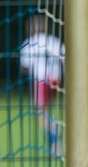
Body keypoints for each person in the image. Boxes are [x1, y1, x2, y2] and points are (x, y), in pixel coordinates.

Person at [18, 13, 64, 155]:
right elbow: (65, 59)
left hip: (41, 80)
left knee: (42, 113)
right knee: (49, 111)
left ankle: (55, 142)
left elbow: (24, 67)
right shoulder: (54, 41)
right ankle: (55, 136)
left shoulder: (29, 43)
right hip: (56, 79)